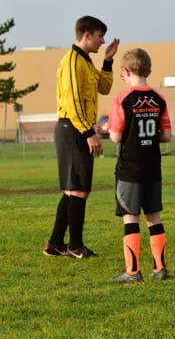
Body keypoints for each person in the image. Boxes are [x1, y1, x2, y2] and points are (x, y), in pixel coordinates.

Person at [43, 16, 119, 258]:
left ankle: (55, 243)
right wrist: (89, 133)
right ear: (86, 34)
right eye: (99, 35)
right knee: (78, 189)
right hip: (72, 128)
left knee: (72, 189)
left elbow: (104, 88)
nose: (102, 40)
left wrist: (107, 61)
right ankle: (75, 246)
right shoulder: (72, 62)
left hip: (76, 127)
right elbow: (73, 102)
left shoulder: (85, 61)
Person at [107, 48, 171, 282]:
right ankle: (160, 268)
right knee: (154, 216)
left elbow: (114, 136)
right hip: (153, 166)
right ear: (149, 71)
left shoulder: (122, 99)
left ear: (125, 71)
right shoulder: (159, 98)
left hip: (130, 168)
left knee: (130, 216)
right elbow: (166, 136)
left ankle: (132, 271)